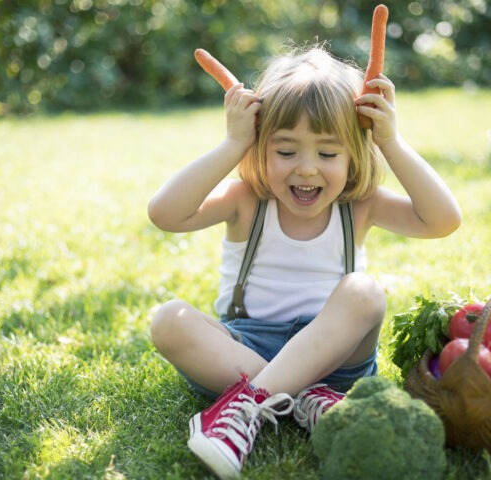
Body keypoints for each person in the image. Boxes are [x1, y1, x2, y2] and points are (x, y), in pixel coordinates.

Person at [147, 44, 461, 479]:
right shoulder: (246, 200)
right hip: (246, 349)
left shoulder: (359, 205)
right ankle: (301, 397)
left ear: (354, 153)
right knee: (168, 320)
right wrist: (233, 142)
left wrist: (390, 140)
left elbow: (443, 220)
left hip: (336, 360)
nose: (307, 169)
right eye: (287, 151)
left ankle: (247, 404)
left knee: (363, 291)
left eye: (328, 154)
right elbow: (165, 213)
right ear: (260, 146)